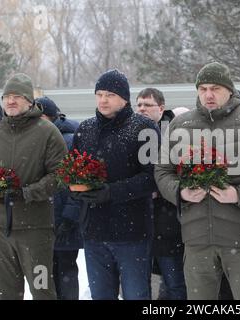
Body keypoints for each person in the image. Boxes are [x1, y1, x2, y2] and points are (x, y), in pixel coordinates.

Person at [155, 62, 240, 300]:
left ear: (229, 89)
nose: (208, 94)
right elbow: (163, 171)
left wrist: (239, 194)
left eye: (215, 88)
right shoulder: (180, 125)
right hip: (196, 239)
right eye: (203, 88)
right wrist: (181, 191)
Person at [0, 73, 68, 300]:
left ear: (29, 100)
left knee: (42, 291)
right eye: (7, 96)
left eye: (17, 96)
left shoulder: (47, 132)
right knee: (6, 293)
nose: (10, 101)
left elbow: (61, 174)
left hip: (36, 230)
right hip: (0, 230)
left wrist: (26, 193)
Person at [71, 69, 160, 300]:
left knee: (136, 295)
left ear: (124, 98)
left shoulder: (144, 128)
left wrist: (111, 192)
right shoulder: (85, 129)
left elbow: (151, 177)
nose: (103, 100)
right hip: (94, 232)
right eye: (99, 94)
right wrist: (74, 187)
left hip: (132, 233)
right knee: (100, 295)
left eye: (109, 94)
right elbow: (73, 170)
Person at [136, 88, 186, 300]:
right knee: (139, 286)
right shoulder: (132, 133)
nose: (142, 109)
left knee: (174, 282)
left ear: (161, 108)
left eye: (147, 105)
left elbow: (182, 172)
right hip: (138, 223)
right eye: (138, 105)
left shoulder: (175, 134)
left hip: (168, 222)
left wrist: (159, 187)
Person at [36, 96, 82, 300]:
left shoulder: (70, 140)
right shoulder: (36, 140)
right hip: (44, 219)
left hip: (63, 218)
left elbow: (79, 181)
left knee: (65, 271)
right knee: (45, 273)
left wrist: (70, 216)